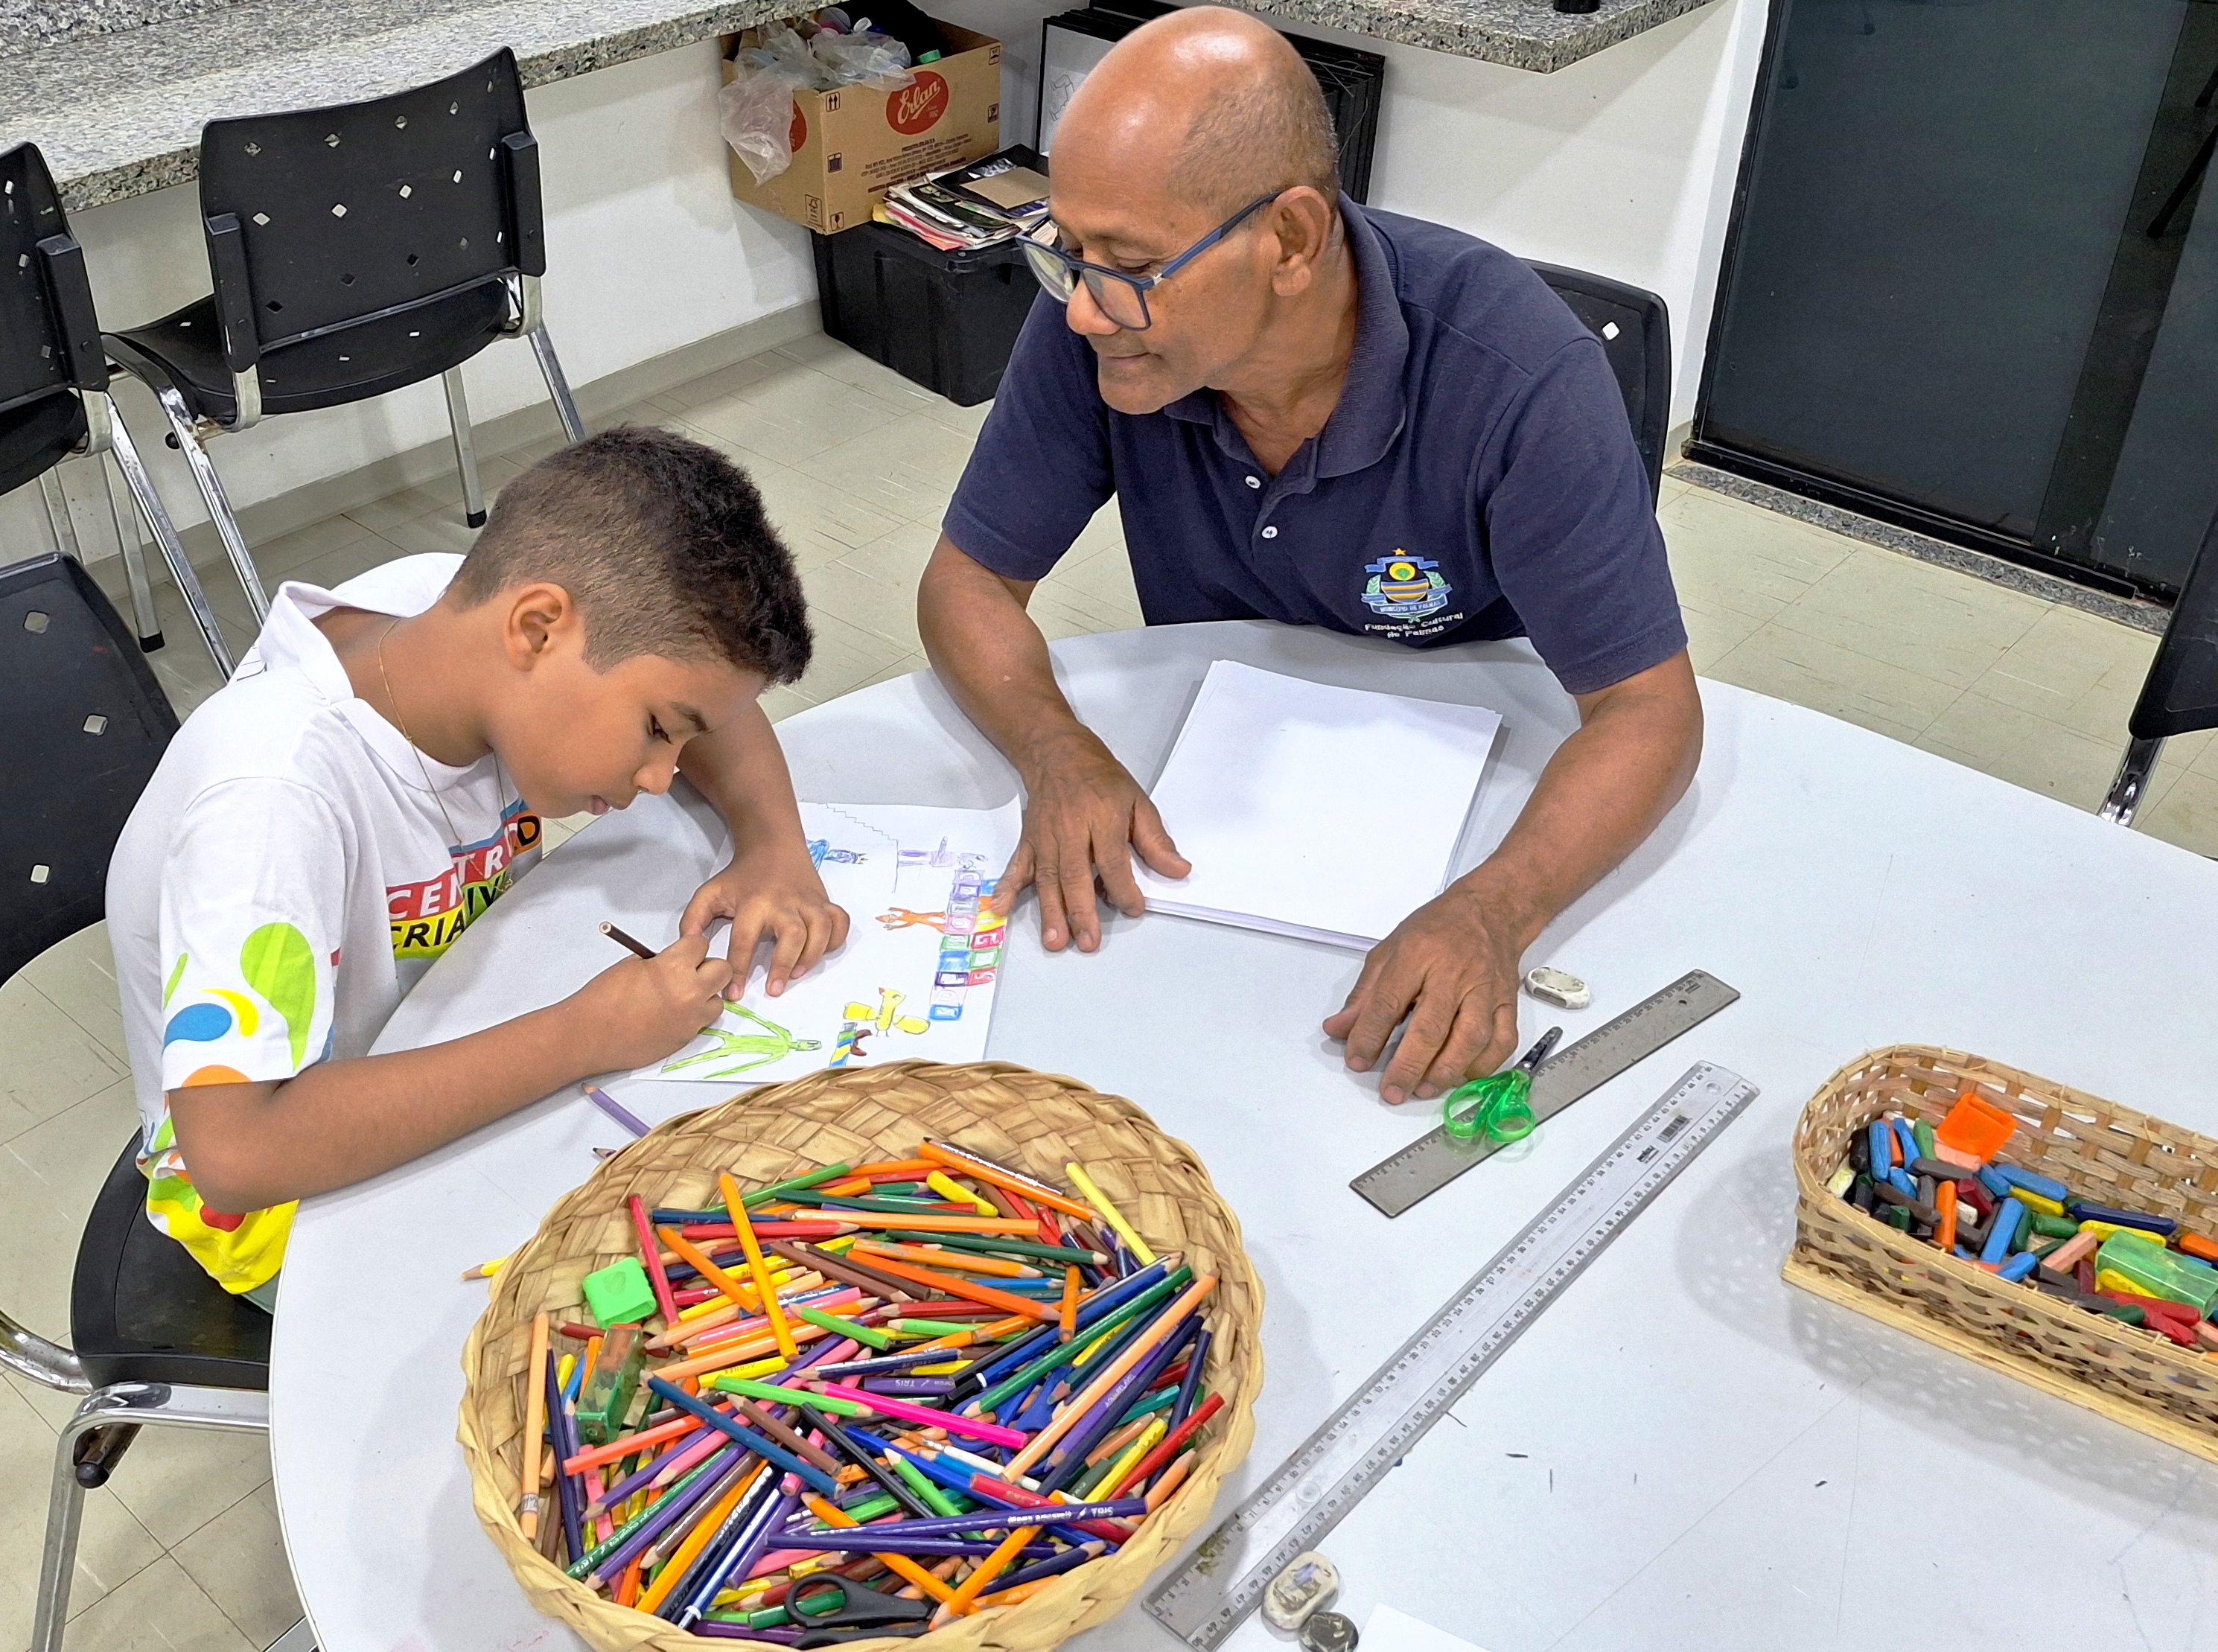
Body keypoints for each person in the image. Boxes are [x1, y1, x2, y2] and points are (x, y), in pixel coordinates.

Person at [917, 7, 1701, 1107]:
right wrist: (1056, 749)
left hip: (1462, 785)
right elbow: (968, 582)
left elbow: (1646, 707)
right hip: (1211, 826)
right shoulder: (1100, 324)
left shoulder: (1517, 376)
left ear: (1289, 239)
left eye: (1129, 265)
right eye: (1067, 252)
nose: (1085, 308)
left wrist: (1496, 908)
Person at [108, 427, 850, 1307]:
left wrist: (772, 844)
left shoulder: (451, 613)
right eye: (656, 729)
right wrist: (585, 1033)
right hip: (279, 1201)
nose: (661, 776)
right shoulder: (273, 798)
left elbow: (710, 700)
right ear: (537, 627)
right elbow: (235, 1155)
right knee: (668, 1293)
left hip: (444, 1042)